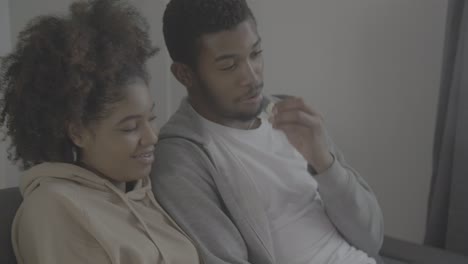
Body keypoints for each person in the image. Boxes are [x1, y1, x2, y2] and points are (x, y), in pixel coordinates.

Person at [151, 0, 384, 263]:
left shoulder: (291, 117)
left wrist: (324, 163)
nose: (252, 77)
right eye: (229, 66)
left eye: (256, 53)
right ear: (185, 74)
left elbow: (371, 239)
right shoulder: (182, 160)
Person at [0, 0, 201, 263]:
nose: (152, 137)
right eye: (129, 127)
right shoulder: (54, 209)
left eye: (150, 118)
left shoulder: (143, 190)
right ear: (78, 132)